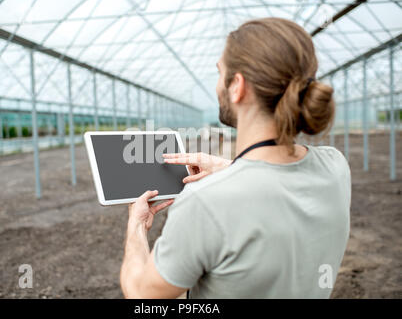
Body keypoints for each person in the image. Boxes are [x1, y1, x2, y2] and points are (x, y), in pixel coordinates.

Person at [120, 17, 351, 299]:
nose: (217, 85)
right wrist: (229, 169)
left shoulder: (205, 201)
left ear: (237, 86)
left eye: (220, 73)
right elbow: (279, 183)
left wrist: (136, 226)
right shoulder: (335, 166)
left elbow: (142, 296)